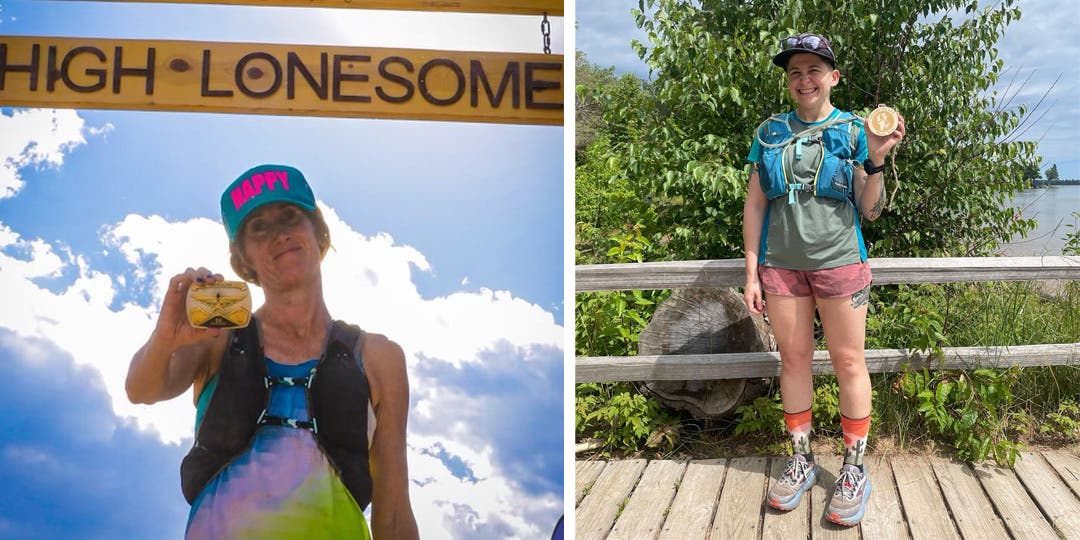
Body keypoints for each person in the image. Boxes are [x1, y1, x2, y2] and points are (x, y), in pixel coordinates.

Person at [126, 164, 419, 539]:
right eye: (259, 228)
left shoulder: (380, 356)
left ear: (321, 236)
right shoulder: (218, 336)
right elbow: (142, 389)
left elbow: (393, 506)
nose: (280, 235)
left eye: (290, 217)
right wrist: (167, 333)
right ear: (242, 260)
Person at [742, 33, 905, 526]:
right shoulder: (769, 133)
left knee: (849, 361)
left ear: (833, 78)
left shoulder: (857, 131)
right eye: (795, 72)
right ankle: (802, 459)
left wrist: (876, 158)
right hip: (780, 268)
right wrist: (751, 271)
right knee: (793, 360)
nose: (804, 79)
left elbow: (870, 210)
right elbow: (754, 204)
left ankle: (854, 467)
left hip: (841, 264)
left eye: (814, 70)